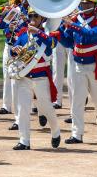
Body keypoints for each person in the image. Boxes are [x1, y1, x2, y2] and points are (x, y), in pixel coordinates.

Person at [60, 0, 97, 144]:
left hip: (95, 64)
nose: (85, 5)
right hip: (78, 64)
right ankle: (77, 134)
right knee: (77, 100)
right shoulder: (75, 18)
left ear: (94, 4)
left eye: (88, 3)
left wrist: (72, 25)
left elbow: (92, 35)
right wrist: (59, 33)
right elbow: (70, 42)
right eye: (83, 3)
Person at [11, 9, 62, 150]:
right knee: (23, 109)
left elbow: (52, 45)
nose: (32, 18)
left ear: (42, 18)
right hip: (25, 77)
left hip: (41, 77)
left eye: (36, 16)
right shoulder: (23, 33)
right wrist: (16, 50)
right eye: (30, 16)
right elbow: (13, 50)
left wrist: (38, 32)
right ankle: (24, 140)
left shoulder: (49, 33)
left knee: (46, 107)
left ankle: (56, 131)